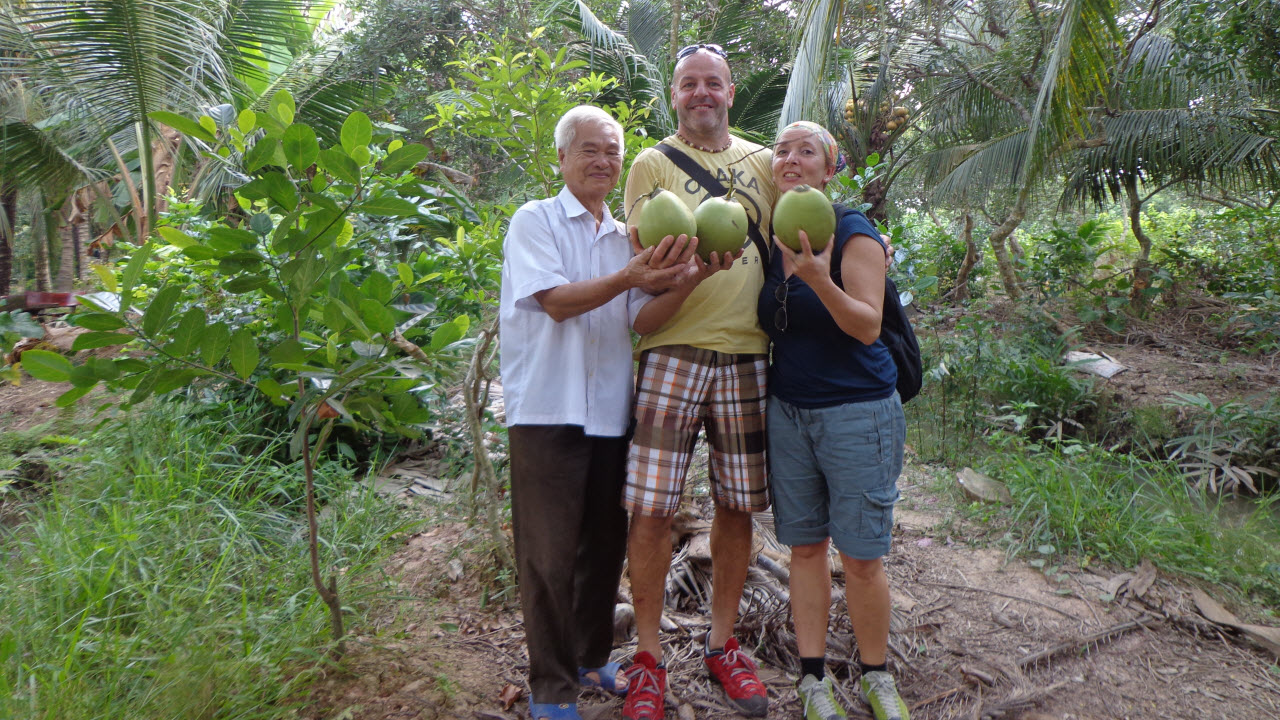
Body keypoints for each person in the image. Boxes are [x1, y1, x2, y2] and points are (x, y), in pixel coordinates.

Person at [499, 105, 696, 720]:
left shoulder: (626, 235)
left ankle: (590, 658)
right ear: (561, 159)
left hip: (610, 410)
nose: (603, 161)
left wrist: (691, 281)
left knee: (604, 543)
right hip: (547, 411)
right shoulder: (535, 221)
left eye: (612, 151)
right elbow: (556, 302)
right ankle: (551, 688)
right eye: (588, 149)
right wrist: (630, 275)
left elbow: (640, 320)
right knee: (548, 554)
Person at [620, 43, 777, 720]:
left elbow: (807, 234)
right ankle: (649, 658)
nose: (702, 93)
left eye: (713, 82)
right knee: (652, 508)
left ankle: (722, 645)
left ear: (731, 92)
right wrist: (692, 273)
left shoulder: (767, 163)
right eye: (689, 84)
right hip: (673, 348)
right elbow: (645, 268)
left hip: (749, 354)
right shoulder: (652, 164)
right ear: (675, 95)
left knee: (738, 505)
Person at [756, 120, 910, 720]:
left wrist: (818, 275)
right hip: (790, 413)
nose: (791, 159)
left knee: (863, 556)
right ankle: (813, 678)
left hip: (857, 412)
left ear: (830, 166)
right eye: (782, 151)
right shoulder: (772, 236)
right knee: (804, 549)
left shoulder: (852, 231)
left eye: (806, 151)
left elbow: (867, 325)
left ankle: (877, 674)